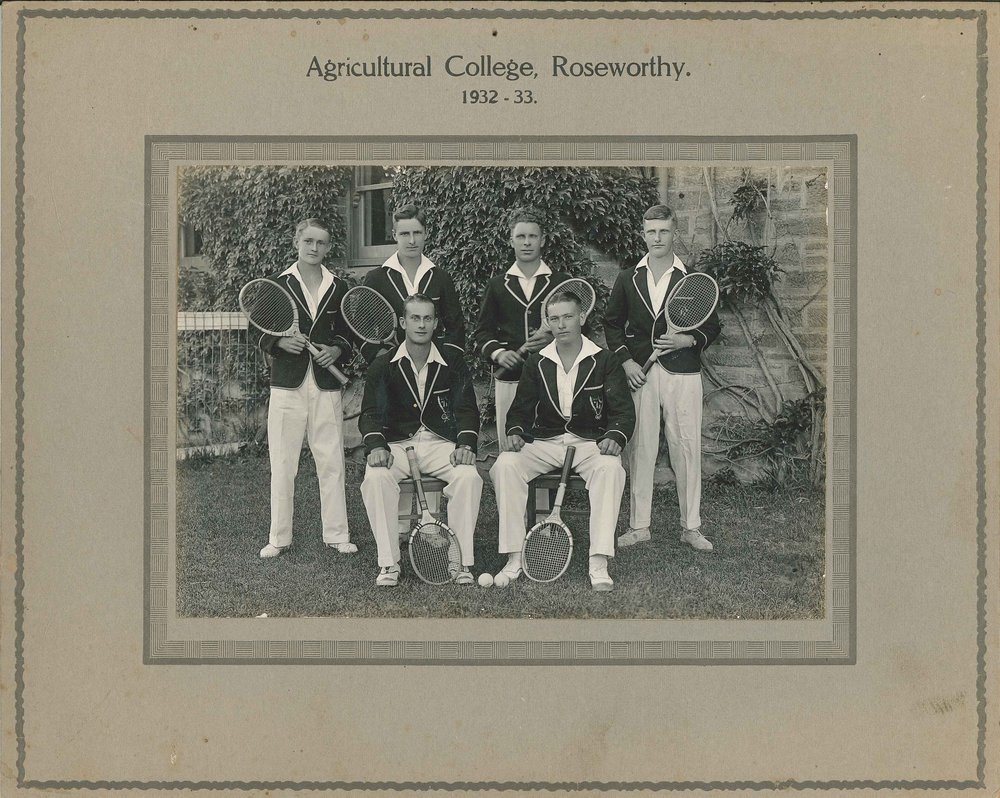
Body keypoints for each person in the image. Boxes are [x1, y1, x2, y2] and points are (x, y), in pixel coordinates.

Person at [489, 290, 634, 591]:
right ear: (548, 323)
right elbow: (520, 410)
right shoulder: (536, 362)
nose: (562, 324)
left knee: (611, 469)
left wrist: (614, 437)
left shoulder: (605, 360)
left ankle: (599, 561)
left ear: (582, 317)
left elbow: (622, 411)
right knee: (505, 465)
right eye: (554, 319)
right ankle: (514, 557)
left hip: (589, 443)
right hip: (546, 441)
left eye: (568, 316)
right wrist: (515, 431)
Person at [604, 204, 721, 552]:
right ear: (643, 234)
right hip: (641, 373)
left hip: (683, 373)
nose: (658, 237)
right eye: (651, 231)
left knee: (686, 447)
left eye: (664, 231)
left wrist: (686, 339)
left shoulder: (691, 277)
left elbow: (712, 327)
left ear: (674, 233)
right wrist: (625, 363)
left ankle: (691, 527)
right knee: (640, 448)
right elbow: (611, 324)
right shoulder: (628, 277)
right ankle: (639, 526)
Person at [359, 293, 483, 587]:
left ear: (436, 322)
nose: (421, 324)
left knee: (468, 476)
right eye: (415, 318)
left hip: (441, 444)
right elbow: (370, 412)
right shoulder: (383, 364)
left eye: (428, 318)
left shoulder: (452, 360)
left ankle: (461, 561)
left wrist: (465, 444)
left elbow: (466, 407)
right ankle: (389, 563)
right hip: (399, 446)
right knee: (376, 477)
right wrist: (376, 446)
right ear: (403, 322)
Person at [361, 203, 466, 533]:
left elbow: (455, 328)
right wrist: (383, 358)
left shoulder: (441, 277)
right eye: (404, 233)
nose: (411, 240)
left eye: (417, 232)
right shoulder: (377, 277)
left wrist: (442, 362)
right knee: (398, 443)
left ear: (425, 234)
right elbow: (364, 331)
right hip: (394, 382)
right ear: (394, 235)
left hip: (430, 377)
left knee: (432, 436)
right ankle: (403, 531)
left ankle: (429, 529)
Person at [257, 218, 358, 558]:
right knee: (283, 462)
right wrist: (279, 343)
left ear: (329, 247)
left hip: (326, 384)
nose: (315, 248)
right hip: (288, 384)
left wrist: (338, 349)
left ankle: (337, 534)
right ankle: (279, 538)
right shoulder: (277, 284)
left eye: (322, 243)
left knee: (331, 460)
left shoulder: (339, 287)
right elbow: (255, 331)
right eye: (309, 241)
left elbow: (349, 331)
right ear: (296, 241)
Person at [474, 207, 571, 452]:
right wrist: (498, 353)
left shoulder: (560, 282)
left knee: (545, 444)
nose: (527, 243)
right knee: (511, 444)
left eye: (533, 237)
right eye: (520, 237)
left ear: (543, 240)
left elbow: (578, 328)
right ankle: (510, 492)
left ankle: (544, 493)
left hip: (550, 375)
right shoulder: (497, 285)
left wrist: (553, 337)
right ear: (511, 240)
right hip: (509, 377)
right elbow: (482, 332)